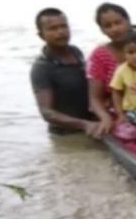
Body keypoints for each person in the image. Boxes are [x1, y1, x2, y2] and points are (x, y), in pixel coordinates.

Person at [30, 8, 111, 137]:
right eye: (53, 28)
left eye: (64, 26)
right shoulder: (42, 68)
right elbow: (46, 112)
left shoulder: (76, 52)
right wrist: (84, 124)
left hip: (95, 126)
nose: (61, 32)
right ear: (41, 35)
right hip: (67, 135)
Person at [87, 3, 136, 125]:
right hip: (117, 112)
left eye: (118, 23)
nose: (114, 29)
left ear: (128, 21)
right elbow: (95, 98)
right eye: (108, 26)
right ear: (102, 30)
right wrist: (105, 118)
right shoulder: (99, 56)